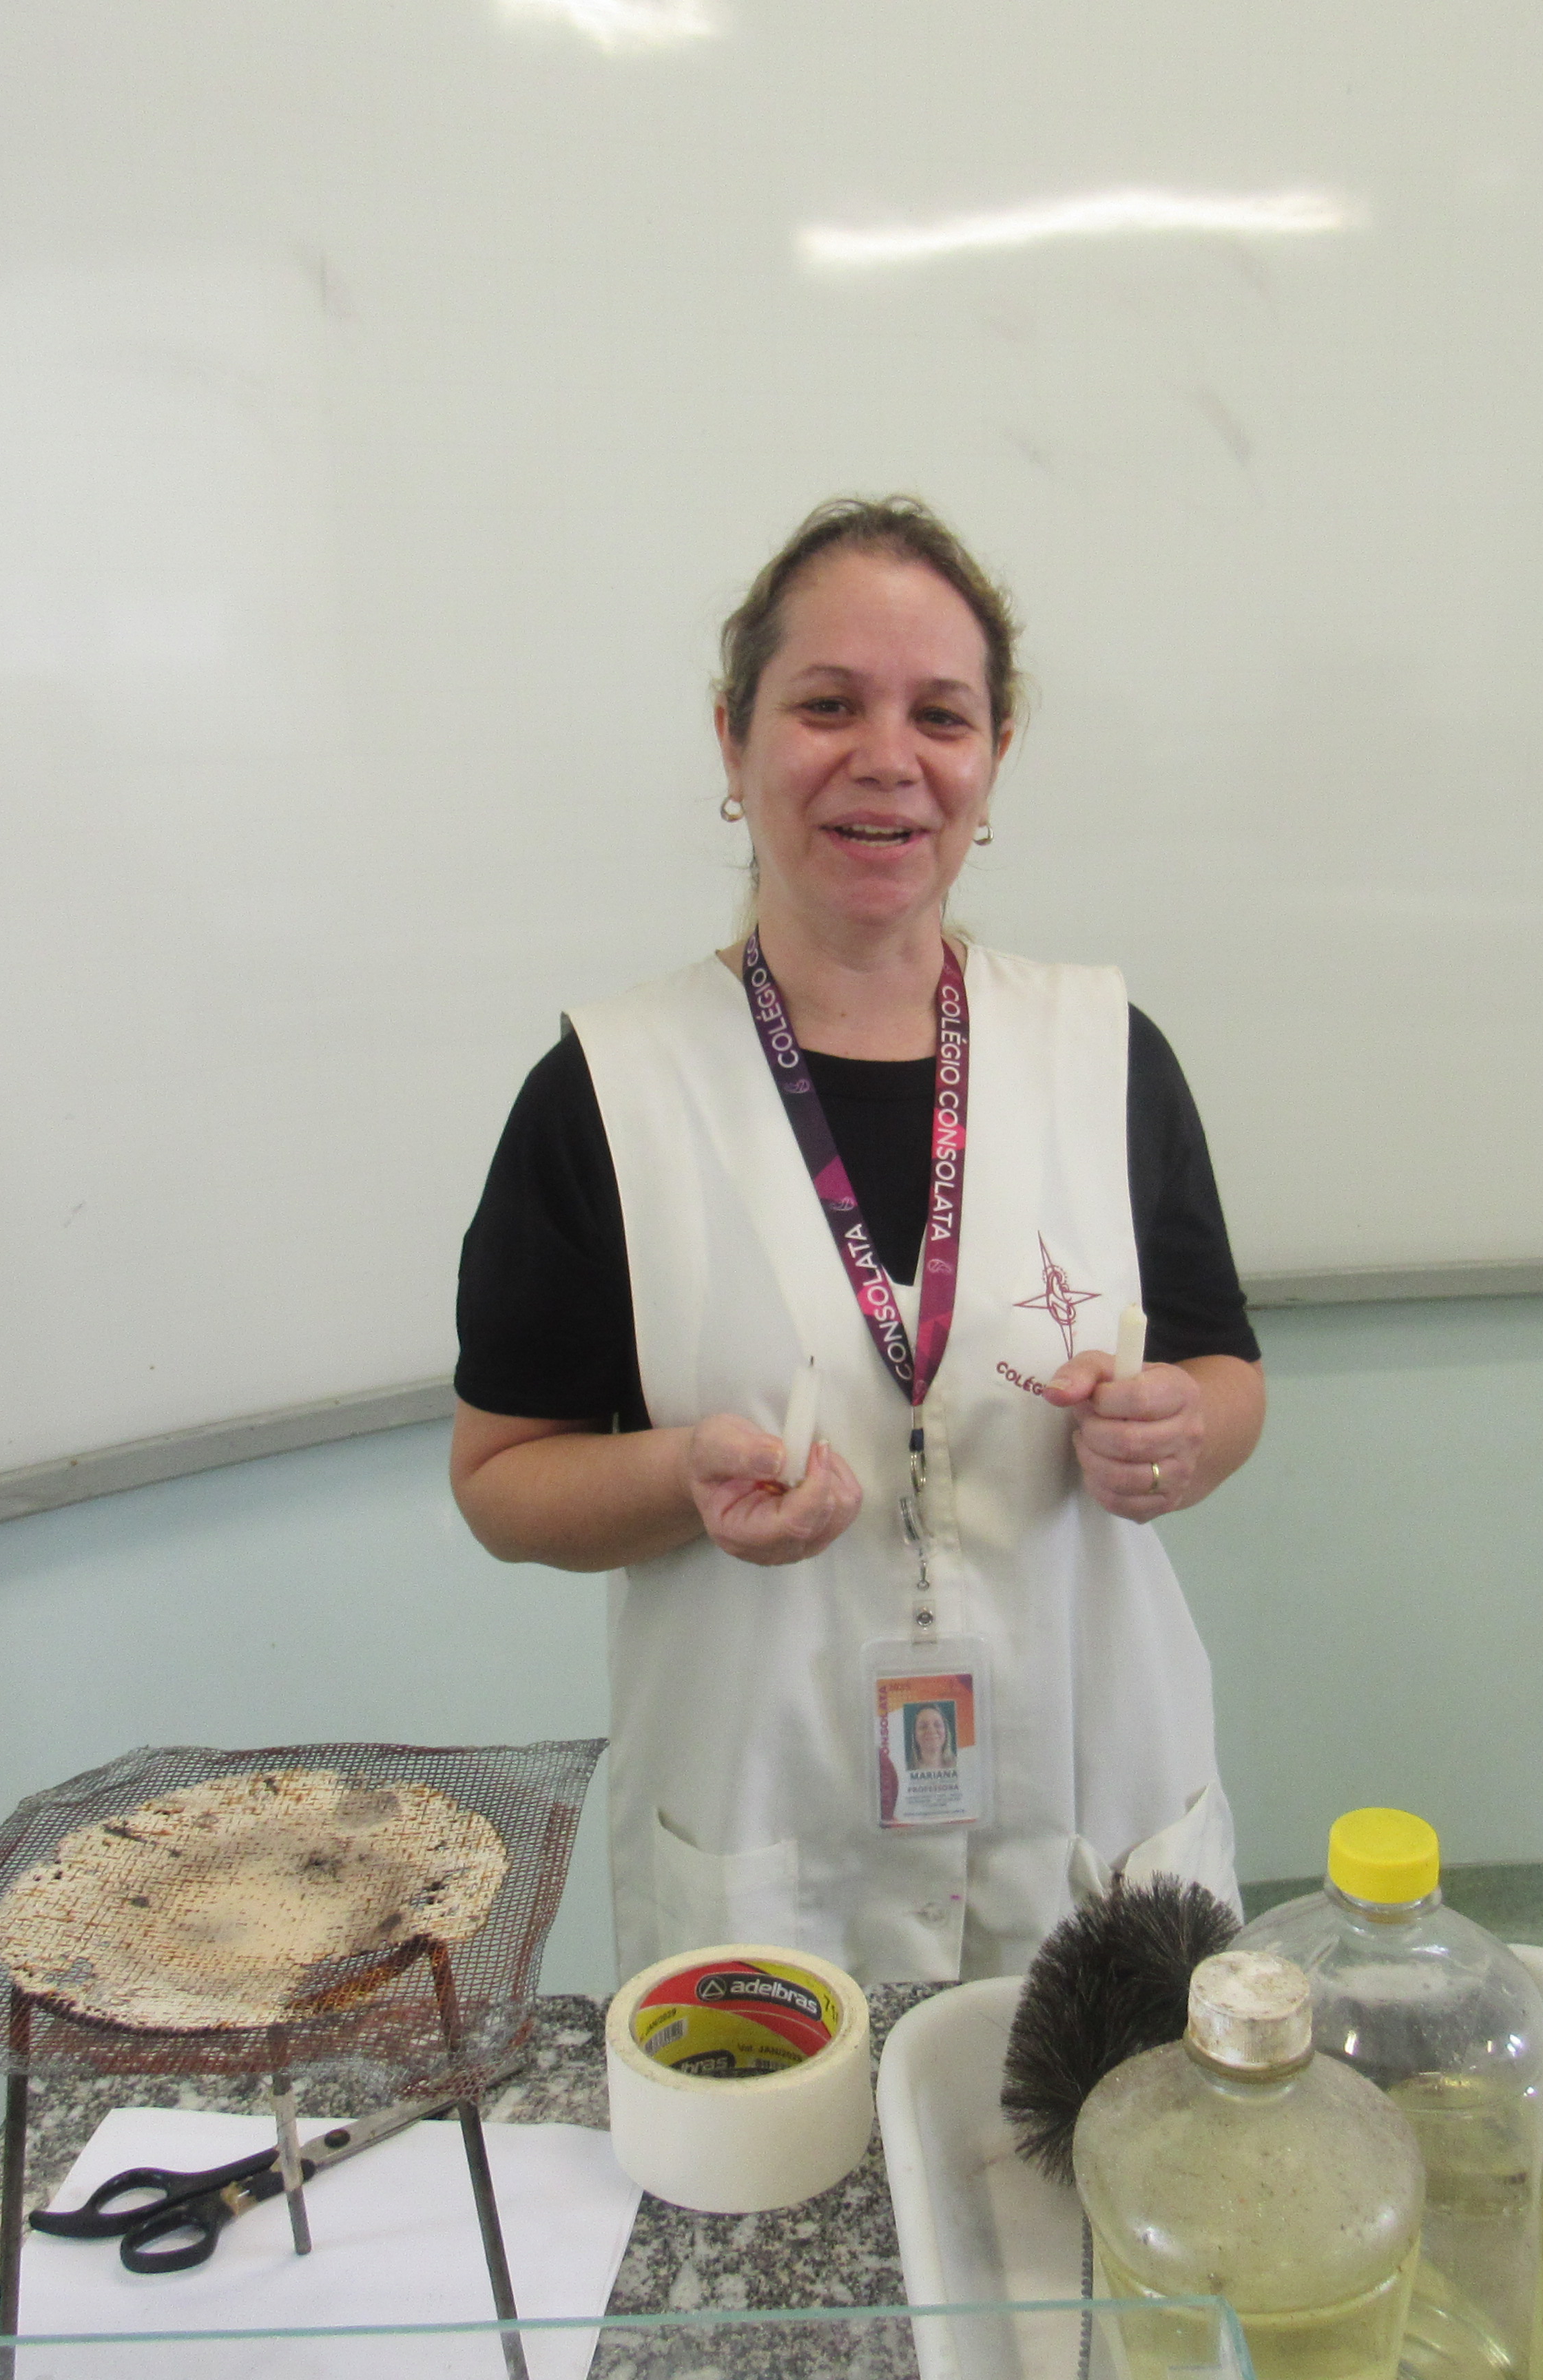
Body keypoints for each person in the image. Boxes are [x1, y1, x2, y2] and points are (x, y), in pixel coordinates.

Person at [451, 497, 1265, 1984]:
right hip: (773, 1850)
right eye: (828, 705)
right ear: (733, 741)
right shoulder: (609, 1093)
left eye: (940, 715)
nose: (887, 759)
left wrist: (1178, 1434)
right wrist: (679, 1482)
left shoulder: (1104, 1055)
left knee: (1103, 2128)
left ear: (995, 755)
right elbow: (502, 1480)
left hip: (1091, 1823)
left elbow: (1226, 1375)